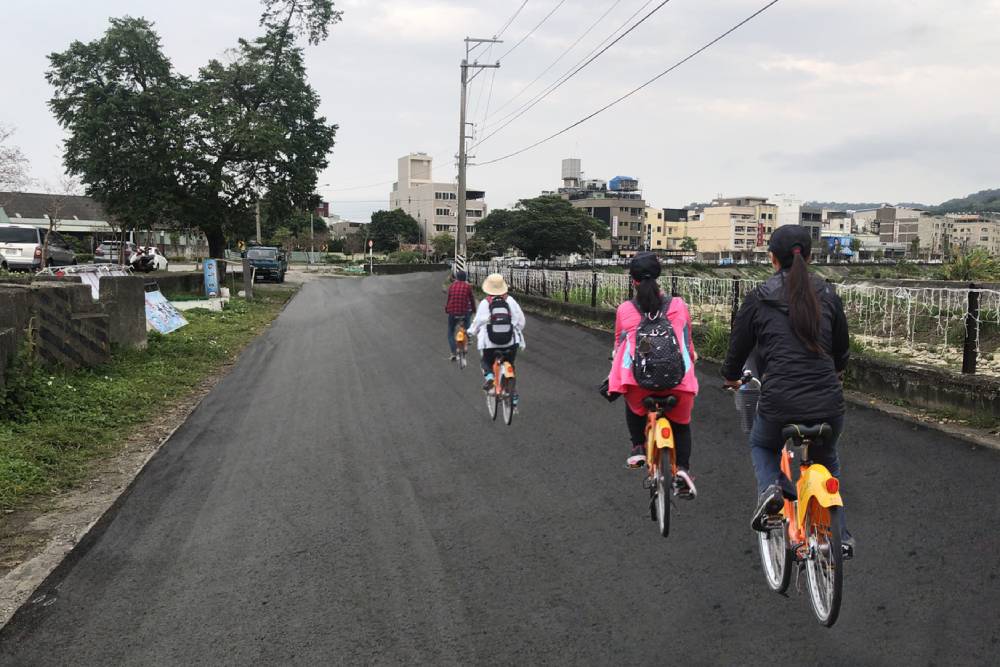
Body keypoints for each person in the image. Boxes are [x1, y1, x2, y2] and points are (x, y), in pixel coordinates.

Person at [720, 225, 853, 548]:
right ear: (808, 256)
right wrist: (834, 373)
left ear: (772, 259)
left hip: (779, 402)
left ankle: (771, 491)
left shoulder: (758, 298)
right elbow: (841, 350)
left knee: (762, 444)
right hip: (828, 403)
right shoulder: (829, 294)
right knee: (827, 457)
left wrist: (731, 376)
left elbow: (737, 349)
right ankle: (841, 536)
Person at [606, 252, 698, 497]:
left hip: (640, 384)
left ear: (633, 280)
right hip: (678, 384)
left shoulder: (625, 309)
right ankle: (684, 470)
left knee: (632, 401)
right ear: (659, 276)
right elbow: (687, 344)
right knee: (681, 425)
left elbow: (619, 345)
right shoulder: (678, 305)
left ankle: (637, 447)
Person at [468, 273, 525, 395]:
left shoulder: (485, 303)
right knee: (510, 364)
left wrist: (471, 332)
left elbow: (477, 323)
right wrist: (514, 330)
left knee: (485, 361)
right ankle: (512, 392)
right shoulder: (511, 301)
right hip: (510, 341)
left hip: (490, 342)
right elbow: (521, 322)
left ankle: (489, 378)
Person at [445, 270, 477, 361]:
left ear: (457, 278)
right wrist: (474, 310)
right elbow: (471, 300)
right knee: (468, 323)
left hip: (453, 312)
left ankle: (453, 353)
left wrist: (447, 309)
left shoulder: (451, 286)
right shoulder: (468, 287)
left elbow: (449, 300)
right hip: (464, 312)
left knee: (450, 332)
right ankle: (469, 336)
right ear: (465, 278)